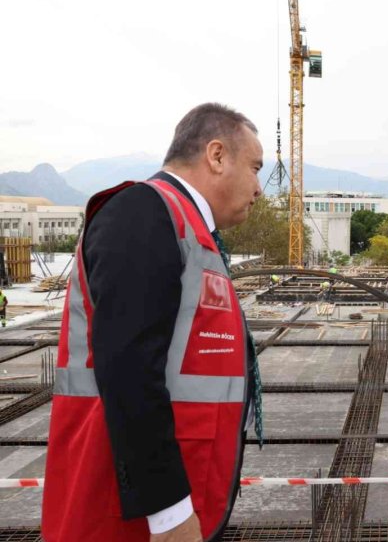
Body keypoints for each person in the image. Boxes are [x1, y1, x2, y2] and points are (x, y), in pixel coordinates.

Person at [42, 103, 264, 542]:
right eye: (255, 168)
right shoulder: (144, 213)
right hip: (123, 516)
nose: (259, 188)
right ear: (217, 156)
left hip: (171, 503)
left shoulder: (185, 228)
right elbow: (128, 368)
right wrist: (169, 514)